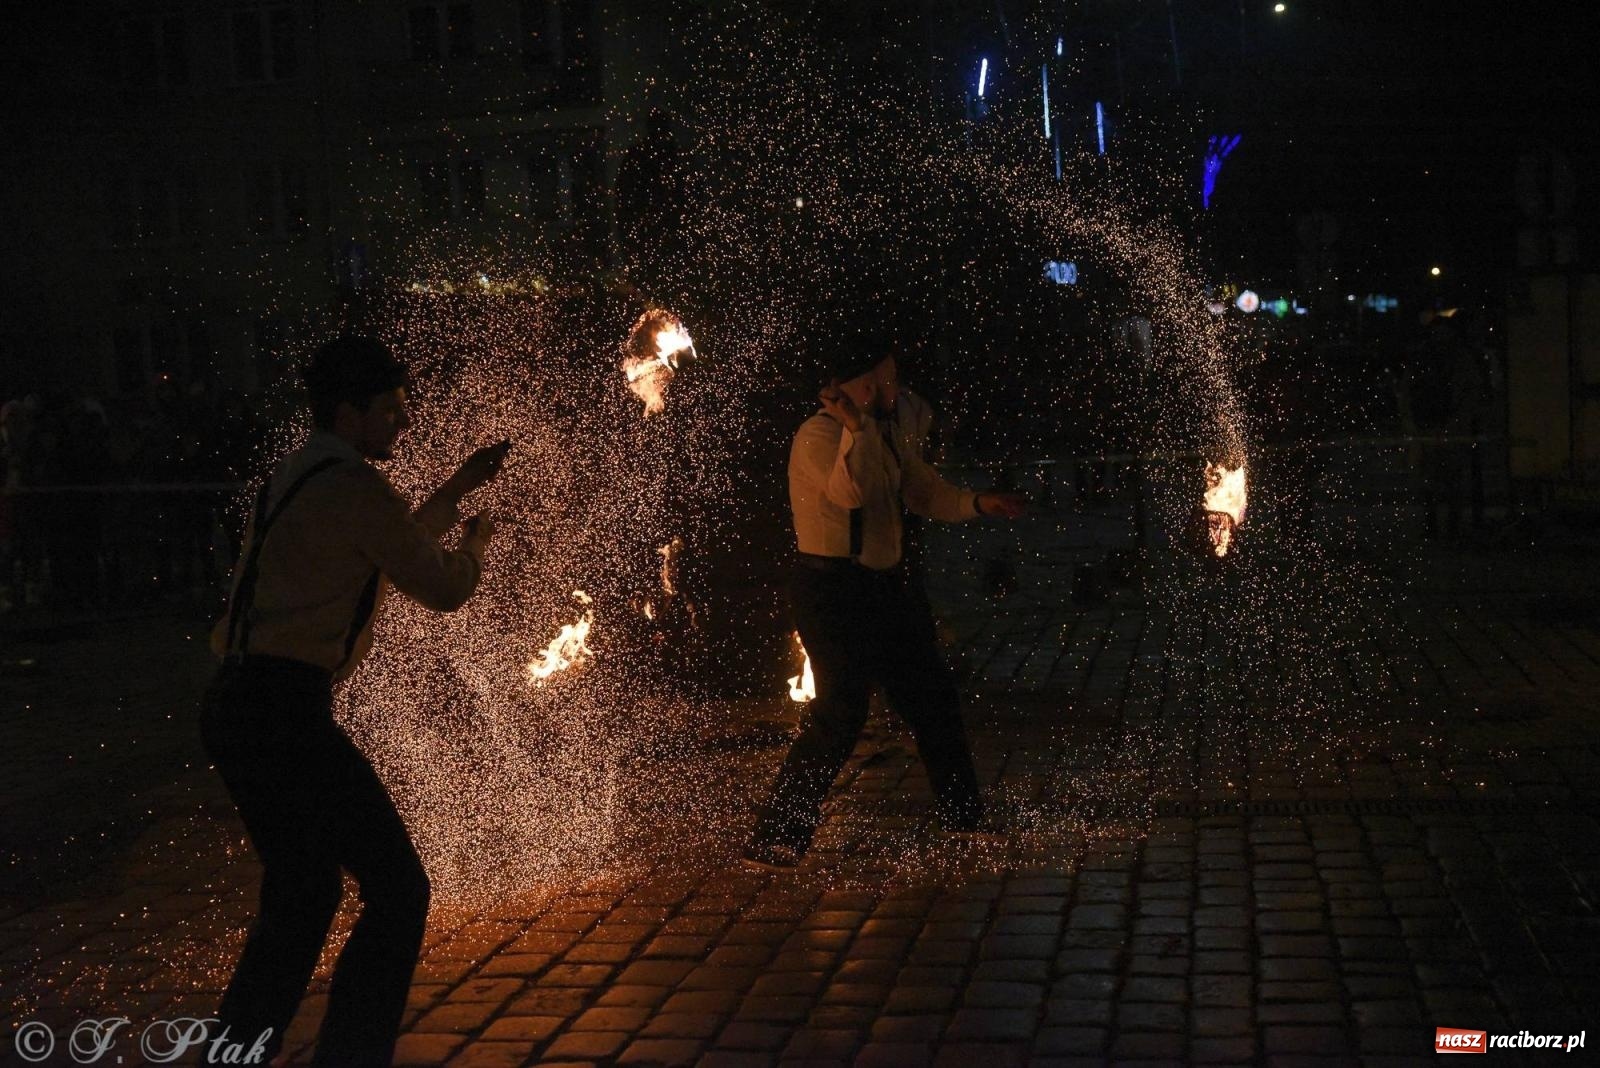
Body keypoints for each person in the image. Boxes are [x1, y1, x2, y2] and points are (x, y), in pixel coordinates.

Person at [200, 335, 511, 1066]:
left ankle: (232, 1052)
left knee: (302, 896)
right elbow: (441, 585)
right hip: (282, 712)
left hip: (238, 705)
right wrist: (479, 544)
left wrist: (460, 485)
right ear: (350, 411)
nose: (404, 423)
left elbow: (388, 540)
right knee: (399, 890)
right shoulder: (354, 486)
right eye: (393, 410)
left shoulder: (302, 472)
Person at [744, 311, 1027, 870]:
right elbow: (850, 495)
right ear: (860, 384)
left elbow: (919, 491)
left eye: (892, 377)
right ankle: (777, 833)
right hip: (833, 592)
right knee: (840, 713)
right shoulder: (818, 436)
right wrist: (856, 431)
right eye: (884, 378)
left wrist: (976, 503)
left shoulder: (885, 428)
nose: (894, 388)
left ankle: (964, 819)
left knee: (932, 700)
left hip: (888, 589)